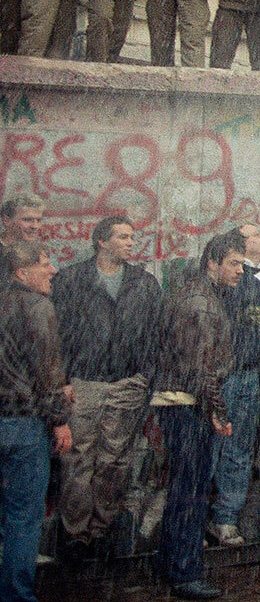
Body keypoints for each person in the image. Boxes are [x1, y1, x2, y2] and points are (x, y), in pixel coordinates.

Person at [50, 215, 164, 561]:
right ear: (102, 241)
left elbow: (154, 333)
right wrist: (63, 380)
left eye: (133, 237)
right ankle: (74, 534)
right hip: (84, 381)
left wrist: (144, 376)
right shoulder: (72, 279)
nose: (131, 243)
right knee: (78, 458)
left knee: (115, 459)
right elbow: (57, 333)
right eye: (123, 237)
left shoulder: (143, 283)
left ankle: (102, 530)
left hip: (127, 383)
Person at [151, 231, 240, 601]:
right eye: (233, 263)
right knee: (192, 490)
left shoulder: (199, 295)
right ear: (212, 263)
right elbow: (201, 367)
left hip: (184, 403)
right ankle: (185, 571)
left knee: (186, 487)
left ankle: (172, 563)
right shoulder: (201, 303)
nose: (239, 270)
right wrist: (218, 411)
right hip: (187, 405)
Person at [0, 240, 72, 602]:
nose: (52, 271)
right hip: (24, 425)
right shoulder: (37, 306)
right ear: (21, 272)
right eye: (44, 264)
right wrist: (59, 419)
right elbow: (47, 371)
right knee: (23, 518)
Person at [206, 223, 260, 546]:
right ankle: (200, 520)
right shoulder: (240, 279)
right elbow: (238, 304)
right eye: (257, 234)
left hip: (253, 374)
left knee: (240, 449)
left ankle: (226, 517)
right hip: (227, 374)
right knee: (213, 448)